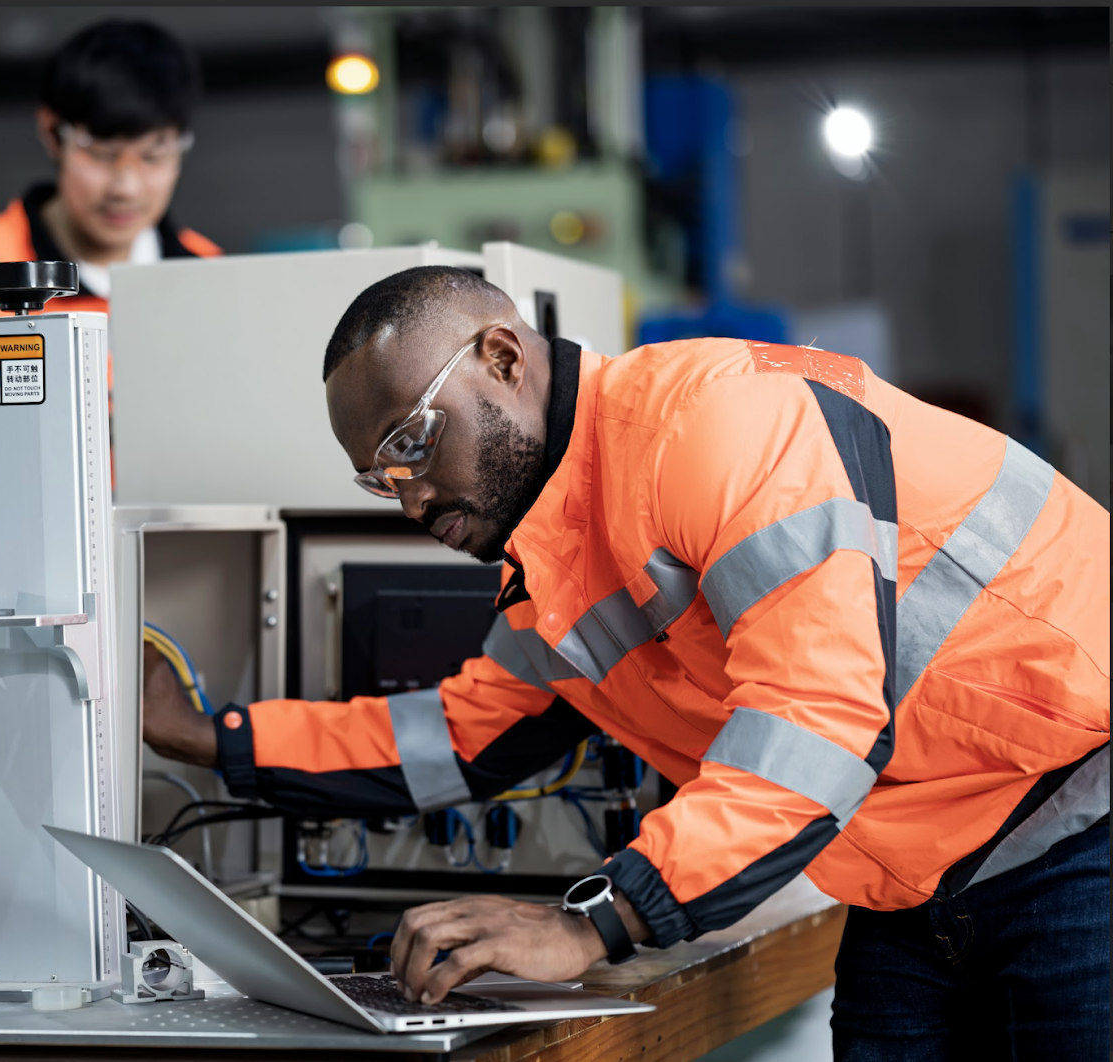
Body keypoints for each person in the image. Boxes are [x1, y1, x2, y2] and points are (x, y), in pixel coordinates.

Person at [142, 267, 1110, 1059]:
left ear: (502, 355)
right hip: (916, 881)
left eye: (411, 442)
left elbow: (818, 720)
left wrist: (593, 922)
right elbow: (452, 738)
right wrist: (209, 736)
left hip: (1076, 828)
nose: (406, 497)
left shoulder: (715, 428)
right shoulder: (555, 561)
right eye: (377, 474)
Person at [0, 18, 222, 536]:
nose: (126, 185)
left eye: (154, 155)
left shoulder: (215, 285)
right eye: (101, 154)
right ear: (51, 133)